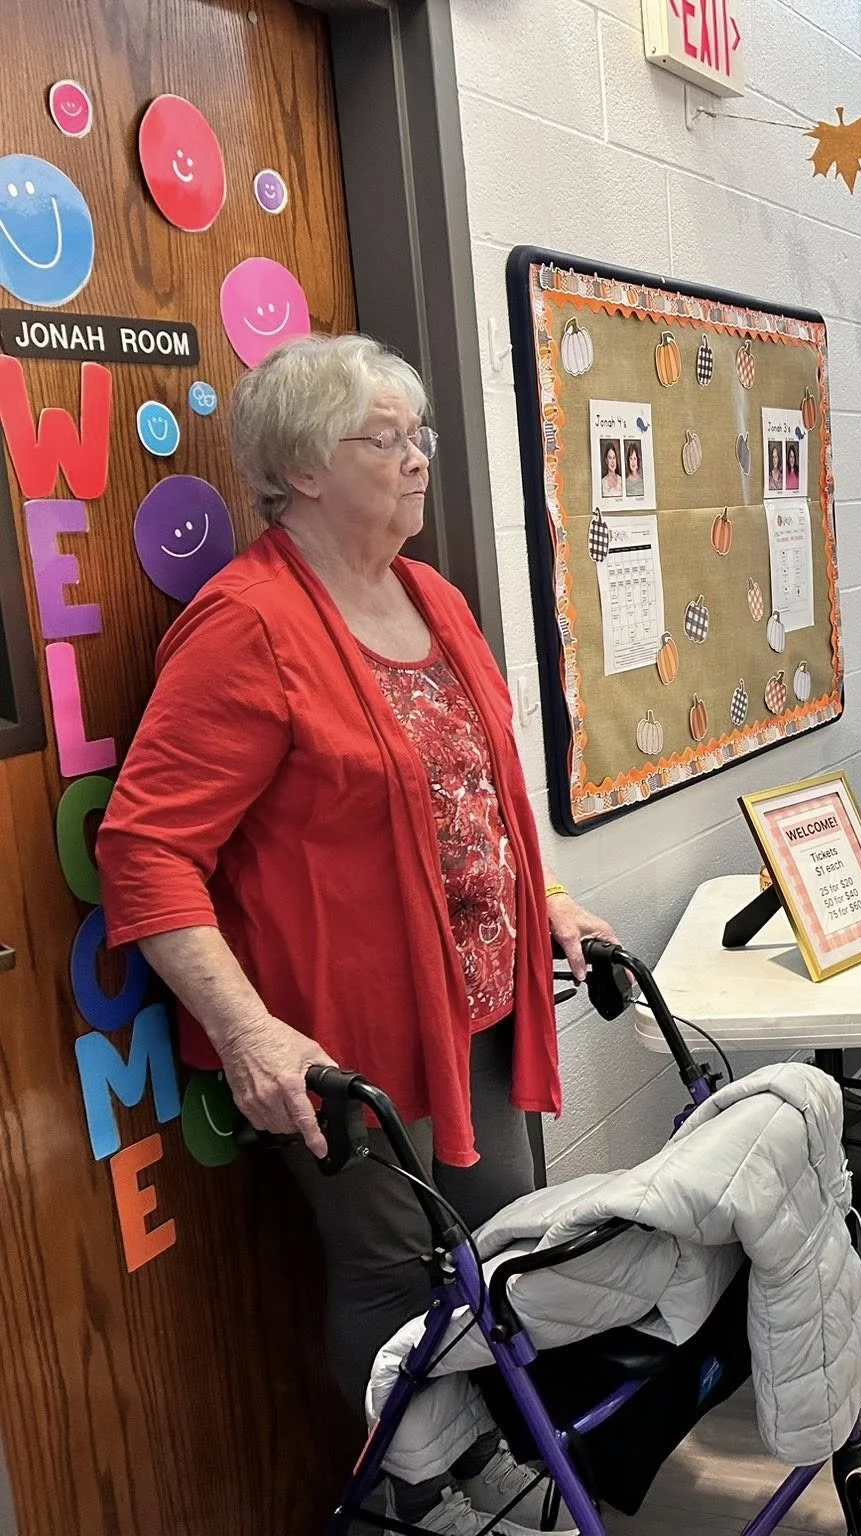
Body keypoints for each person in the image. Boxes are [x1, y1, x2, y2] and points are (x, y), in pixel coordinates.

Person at [99, 334, 614, 1536]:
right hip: (347, 1044)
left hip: (483, 1009)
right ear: (302, 468)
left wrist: (541, 901)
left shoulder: (428, 596)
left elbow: (466, 793)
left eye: (419, 434)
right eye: (386, 438)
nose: (419, 459)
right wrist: (247, 1030)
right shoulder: (250, 626)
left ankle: (485, 1451)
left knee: (490, 1254)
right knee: (394, 1276)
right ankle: (415, 1487)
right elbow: (147, 847)